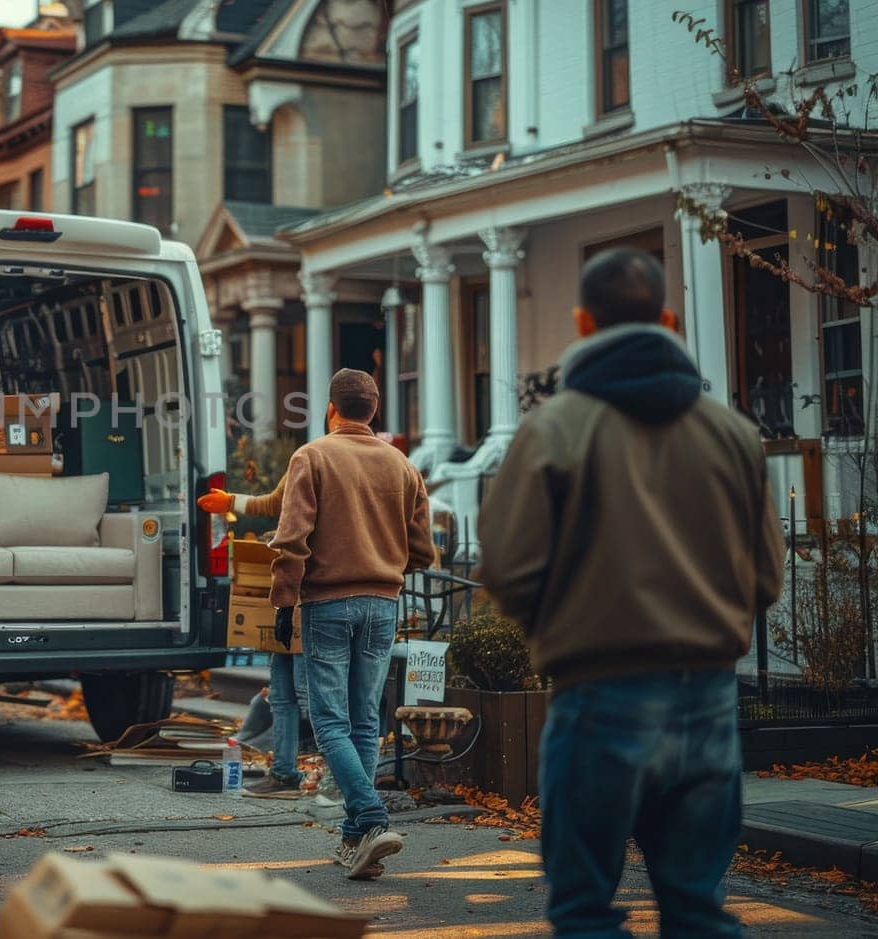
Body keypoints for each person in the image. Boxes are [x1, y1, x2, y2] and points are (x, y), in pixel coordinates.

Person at [477, 249, 784, 936]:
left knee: (586, 910)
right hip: (708, 694)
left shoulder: (555, 428)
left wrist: (564, 629)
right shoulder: (733, 432)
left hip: (599, 689)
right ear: (667, 319)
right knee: (698, 906)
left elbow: (507, 565)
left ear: (584, 323)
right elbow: (766, 573)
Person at [270, 369, 436, 879]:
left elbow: (292, 536)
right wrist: (385, 565)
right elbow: (424, 552)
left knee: (329, 722)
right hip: (383, 603)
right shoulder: (403, 465)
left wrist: (283, 600)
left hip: (328, 603)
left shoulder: (313, 456)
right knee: (365, 721)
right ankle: (355, 838)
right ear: (375, 407)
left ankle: (369, 817)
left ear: (330, 407)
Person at [199, 482, 312, 799]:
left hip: (316, 595)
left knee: (313, 701)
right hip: (289, 596)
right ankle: (284, 775)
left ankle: (340, 782)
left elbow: (275, 504)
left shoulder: (315, 459)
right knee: (282, 694)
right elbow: (275, 502)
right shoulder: (308, 459)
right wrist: (232, 501)